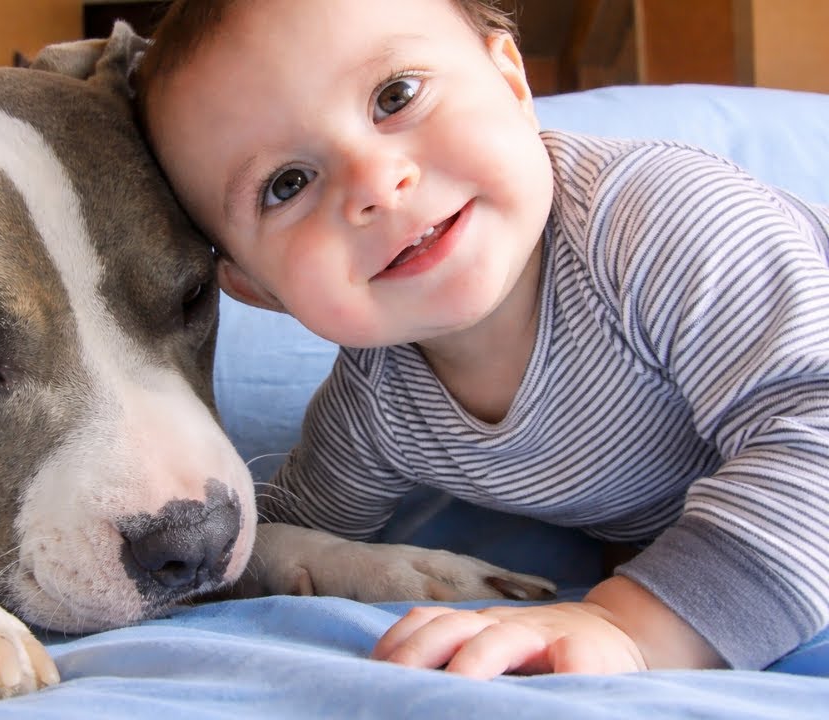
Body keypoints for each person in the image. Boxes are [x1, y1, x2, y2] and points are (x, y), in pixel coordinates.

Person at [133, 0, 829, 678]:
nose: (376, 183)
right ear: (256, 289)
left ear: (511, 81)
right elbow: (281, 537)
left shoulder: (662, 225)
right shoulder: (377, 407)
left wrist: (631, 625)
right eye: (287, 185)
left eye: (395, 95)